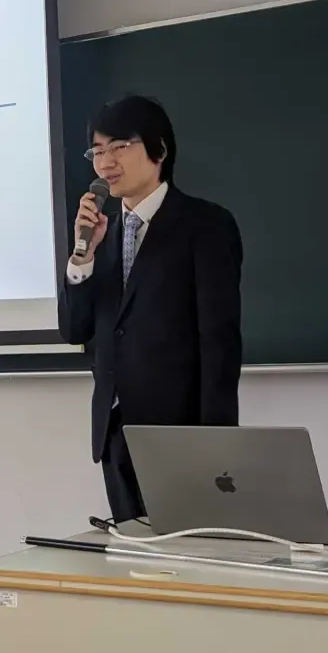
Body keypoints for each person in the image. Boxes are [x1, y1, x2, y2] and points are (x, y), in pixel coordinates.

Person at [60, 94, 243, 522]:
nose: (105, 162)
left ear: (159, 150)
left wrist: (217, 444)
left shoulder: (205, 225)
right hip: (114, 432)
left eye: (119, 146)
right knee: (132, 554)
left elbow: (219, 341)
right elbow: (75, 330)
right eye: (97, 151)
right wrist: (82, 257)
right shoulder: (101, 235)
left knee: (189, 552)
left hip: (181, 434)